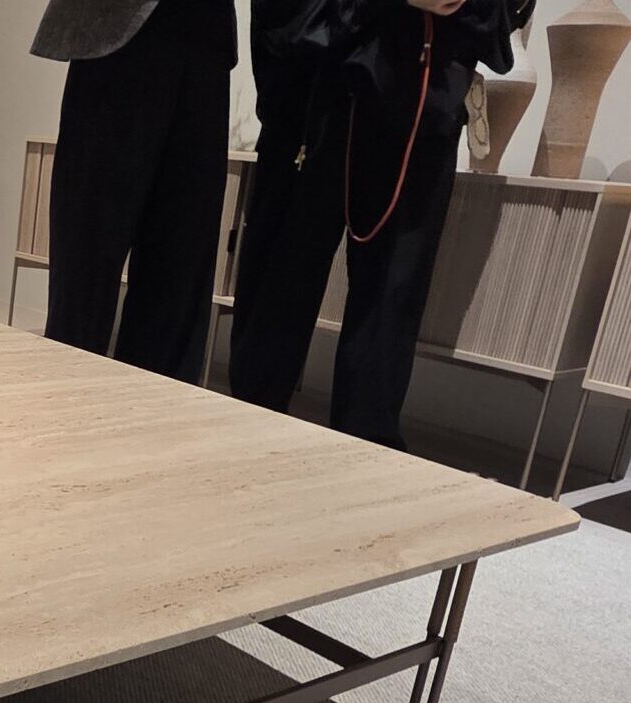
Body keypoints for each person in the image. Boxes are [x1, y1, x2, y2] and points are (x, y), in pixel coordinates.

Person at [229, 0, 534, 448]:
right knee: (282, 280)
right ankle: (245, 435)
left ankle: (365, 459)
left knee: (392, 296)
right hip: (318, 87)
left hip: (423, 95)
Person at [31, 0, 239, 383]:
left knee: (181, 270)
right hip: (113, 26)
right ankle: (65, 399)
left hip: (208, 35)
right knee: (87, 262)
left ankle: (154, 411)